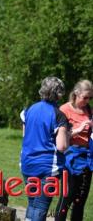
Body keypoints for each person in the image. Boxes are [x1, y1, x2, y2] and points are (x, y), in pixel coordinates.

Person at [20, 77, 68, 221]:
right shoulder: (59, 115)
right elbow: (61, 146)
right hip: (48, 167)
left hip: (27, 163)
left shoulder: (28, 110)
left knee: (32, 204)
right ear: (58, 94)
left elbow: (25, 135)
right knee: (40, 207)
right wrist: (69, 136)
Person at [55, 79, 92, 221]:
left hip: (87, 159)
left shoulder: (89, 111)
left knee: (80, 199)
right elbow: (59, 136)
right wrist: (79, 130)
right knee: (67, 196)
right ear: (76, 94)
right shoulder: (64, 110)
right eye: (85, 97)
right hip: (70, 158)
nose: (87, 101)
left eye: (90, 98)